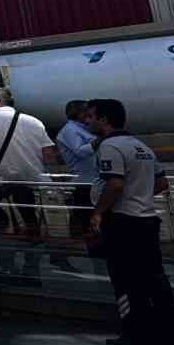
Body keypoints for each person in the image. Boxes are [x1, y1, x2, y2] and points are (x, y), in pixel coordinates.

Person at [88, 98, 174, 345]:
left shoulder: (110, 147)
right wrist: (140, 195)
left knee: (125, 280)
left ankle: (136, 335)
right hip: (147, 219)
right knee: (156, 278)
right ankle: (172, 335)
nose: (89, 121)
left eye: (92, 117)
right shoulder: (141, 146)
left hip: (122, 222)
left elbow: (115, 184)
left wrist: (99, 212)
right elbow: (162, 183)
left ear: (105, 119)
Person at [0, 87, 56, 282]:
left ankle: (7, 273)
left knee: (2, 232)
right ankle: (32, 273)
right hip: (33, 188)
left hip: (1, 189)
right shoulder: (34, 121)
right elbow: (49, 153)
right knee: (33, 231)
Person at [54, 99, 100, 271]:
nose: (89, 116)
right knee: (85, 224)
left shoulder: (84, 129)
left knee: (88, 223)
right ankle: (61, 255)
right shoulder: (70, 130)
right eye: (86, 112)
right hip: (84, 184)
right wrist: (101, 139)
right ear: (79, 113)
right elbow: (80, 151)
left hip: (93, 182)